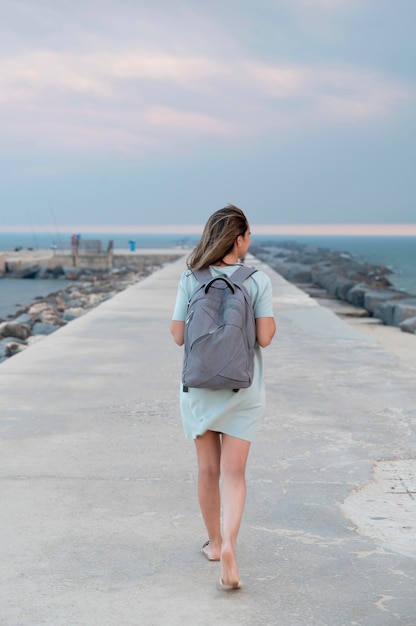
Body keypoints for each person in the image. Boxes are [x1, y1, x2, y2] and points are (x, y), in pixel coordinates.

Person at [170, 205, 276, 590]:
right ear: (239, 238)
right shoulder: (257, 280)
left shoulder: (190, 278)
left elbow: (179, 335)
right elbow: (264, 338)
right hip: (243, 390)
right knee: (234, 474)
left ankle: (214, 545)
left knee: (208, 472)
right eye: (249, 234)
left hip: (199, 389)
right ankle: (231, 541)